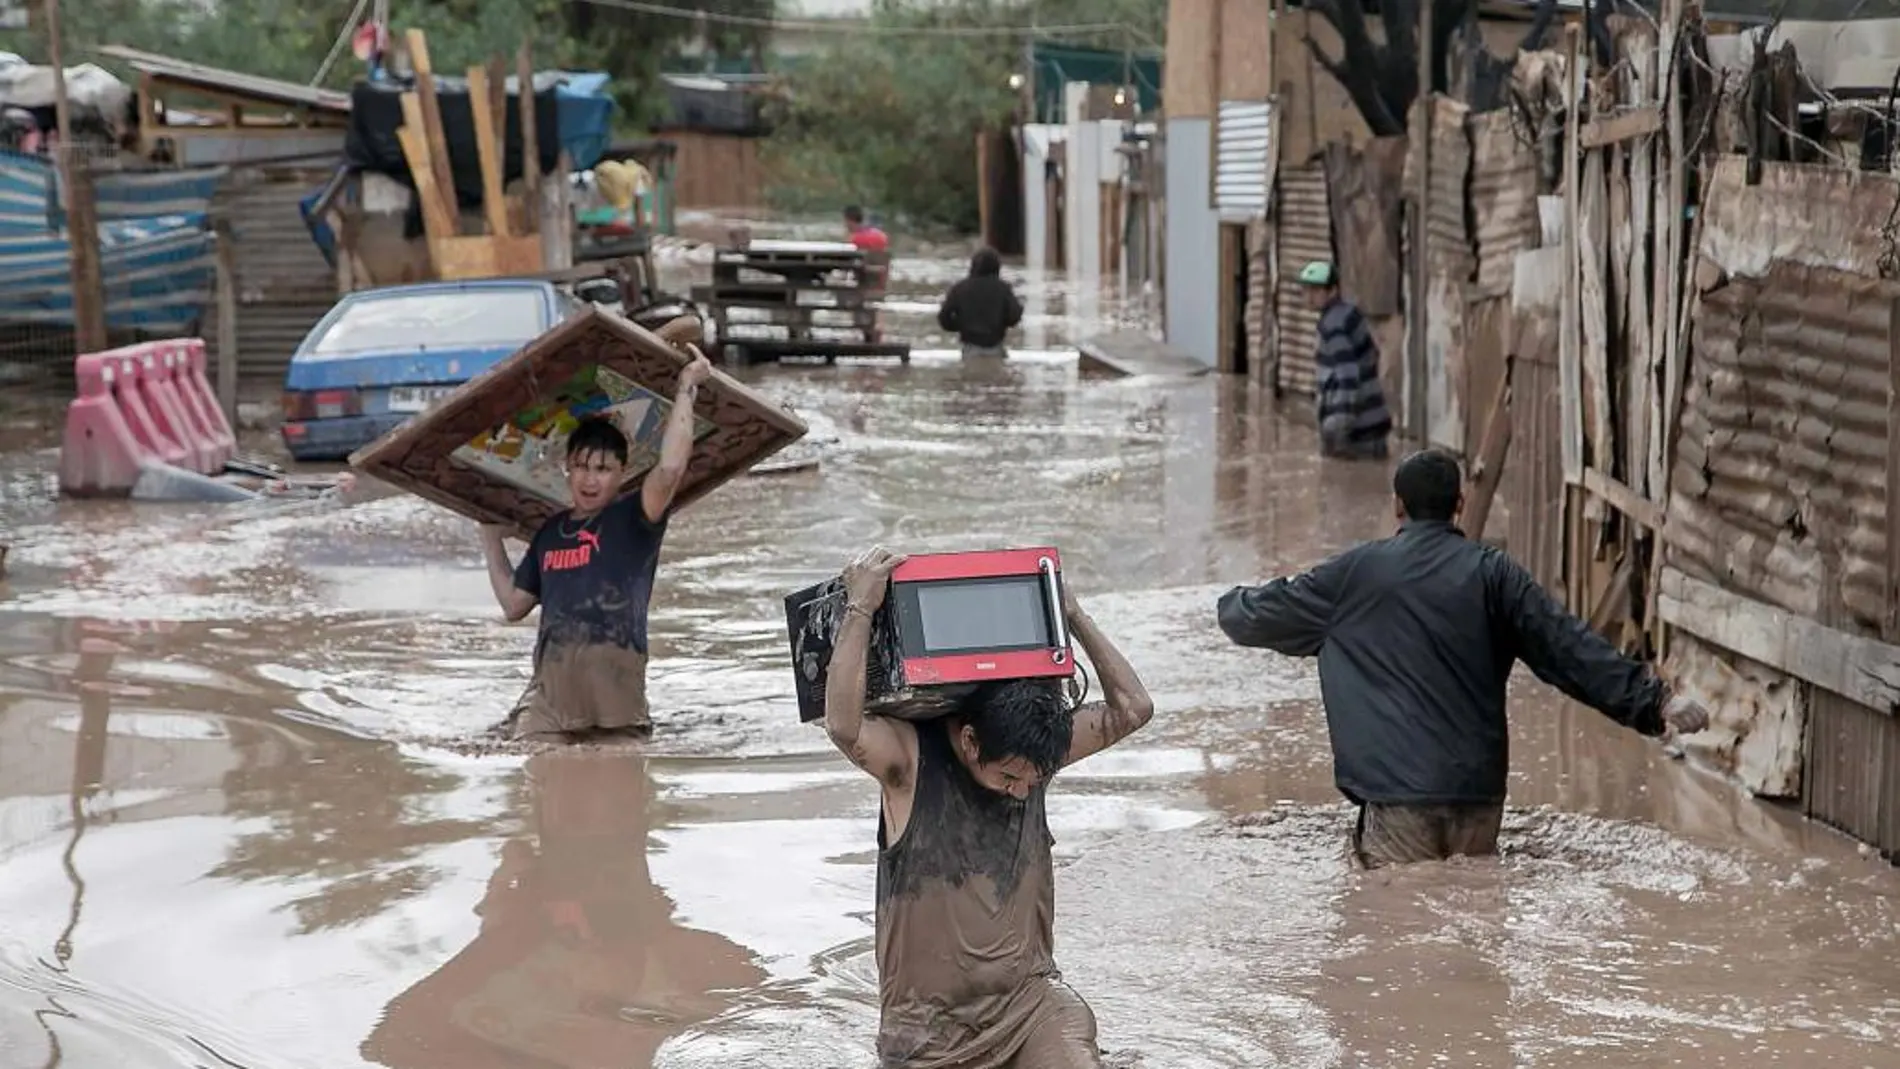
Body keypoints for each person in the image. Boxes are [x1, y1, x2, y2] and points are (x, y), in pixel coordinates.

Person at [1214, 448, 1712, 869]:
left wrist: (1228, 599)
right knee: (1471, 933)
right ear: (1461, 503)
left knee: (1398, 940)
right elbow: (1570, 647)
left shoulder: (1355, 576)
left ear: (1397, 506)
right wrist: (1658, 703)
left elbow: (1252, 617)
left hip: (1398, 801)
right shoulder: (1494, 575)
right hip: (1479, 800)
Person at [825, 545, 1154, 1069]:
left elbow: (1133, 708)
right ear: (971, 741)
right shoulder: (910, 762)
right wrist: (861, 609)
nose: (1022, 791)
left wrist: (1071, 613)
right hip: (926, 1038)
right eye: (1009, 778)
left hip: (1030, 1009)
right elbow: (844, 727)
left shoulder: (1033, 753)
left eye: (1034, 781)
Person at [479, 346, 714, 743]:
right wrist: (489, 538)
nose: (590, 480)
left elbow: (671, 468)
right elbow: (514, 605)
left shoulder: (634, 518)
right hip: (551, 694)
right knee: (536, 778)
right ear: (567, 469)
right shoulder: (549, 533)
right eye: (582, 467)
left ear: (622, 474)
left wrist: (687, 388)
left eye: (603, 469)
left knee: (618, 785)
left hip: (615, 692)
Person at [1299, 260, 1393, 460]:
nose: (1309, 296)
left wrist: (1339, 425)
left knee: (1343, 484)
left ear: (1332, 291)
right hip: (1372, 422)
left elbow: (1348, 376)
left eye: (1316, 290)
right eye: (1306, 290)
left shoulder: (1334, 326)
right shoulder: (1347, 314)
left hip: (1356, 430)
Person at [937, 246, 1025, 360]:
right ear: (997, 266)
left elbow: (944, 317)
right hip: (995, 345)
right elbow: (1015, 315)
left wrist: (960, 326)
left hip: (969, 346)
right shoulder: (1003, 288)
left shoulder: (960, 288)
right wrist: (1002, 323)